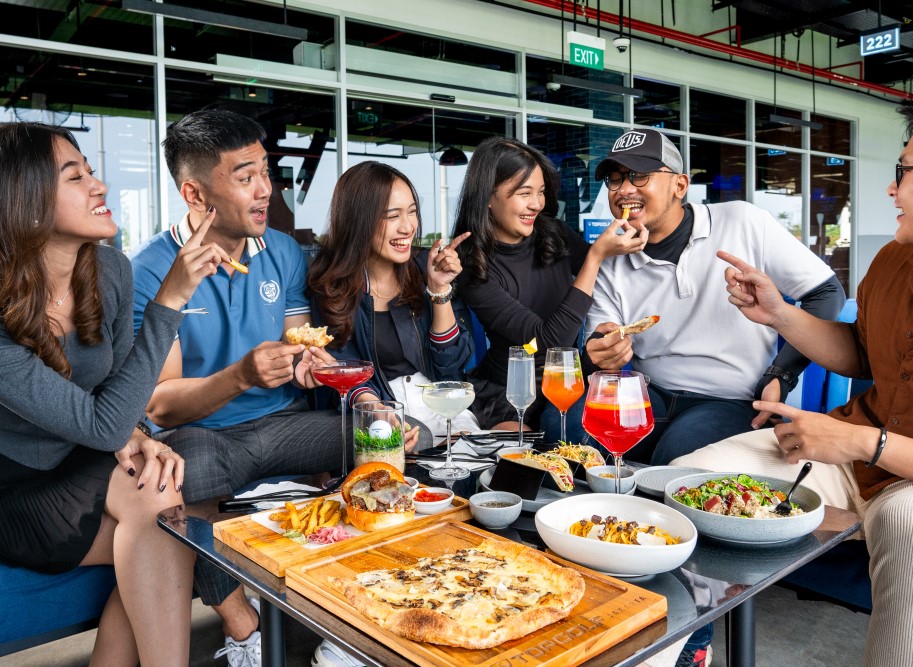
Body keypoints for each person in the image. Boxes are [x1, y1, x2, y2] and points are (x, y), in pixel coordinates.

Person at [674, 81, 913, 666]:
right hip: (853, 460)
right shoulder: (899, 260)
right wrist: (780, 313)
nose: (891, 187)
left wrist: (861, 440)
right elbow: (862, 356)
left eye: (905, 170)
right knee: (682, 482)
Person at [0, 122, 223, 665]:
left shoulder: (110, 270)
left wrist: (138, 435)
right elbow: (104, 422)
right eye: (75, 176)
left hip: (85, 457)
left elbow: (121, 392)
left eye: (91, 170)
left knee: (163, 499)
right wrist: (169, 300)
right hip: (17, 488)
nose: (99, 185)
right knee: (174, 526)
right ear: (26, 207)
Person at [130, 109, 347, 667]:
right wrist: (242, 376)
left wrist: (309, 362)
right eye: (245, 175)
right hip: (202, 435)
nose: (264, 190)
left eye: (266, 172)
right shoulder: (152, 270)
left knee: (387, 437)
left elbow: (300, 340)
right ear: (195, 193)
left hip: (283, 423)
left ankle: (348, 610)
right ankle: (242, 625)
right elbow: (161, 401)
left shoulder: (282, 251)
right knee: (173, 488)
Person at [584, 128, 845, 466]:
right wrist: (602, 348)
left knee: (678, 457)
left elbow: (824, 292)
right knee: (569, 426)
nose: (624, 190)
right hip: (652, 393)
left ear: (679, 185)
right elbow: (600, 336)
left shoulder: (743, 221)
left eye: (639, 175)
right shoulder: (612, 258)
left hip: (730, 400)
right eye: (615, 180)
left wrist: (781, 374)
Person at [454, 136, 645, 432]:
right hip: (508, 393)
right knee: (529, 464)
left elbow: (610, 279)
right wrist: (595, 255)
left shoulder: (552, 232)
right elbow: (544, 343)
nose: (536, 204)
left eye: (541, 192)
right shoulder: (470, 264)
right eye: (524, 192)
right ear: (488, 197)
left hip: (568, 381)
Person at [307, 160, 477, 438]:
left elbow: (451, 365)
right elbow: (340, 368)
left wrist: (439, 290)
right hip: (379, 408)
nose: (408, 226)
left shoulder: (427, 267)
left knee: (475, 464)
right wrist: (376, 409)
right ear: (358, 221)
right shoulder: (331, 287)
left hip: (440, 400)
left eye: (412, 212)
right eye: (392, 215)